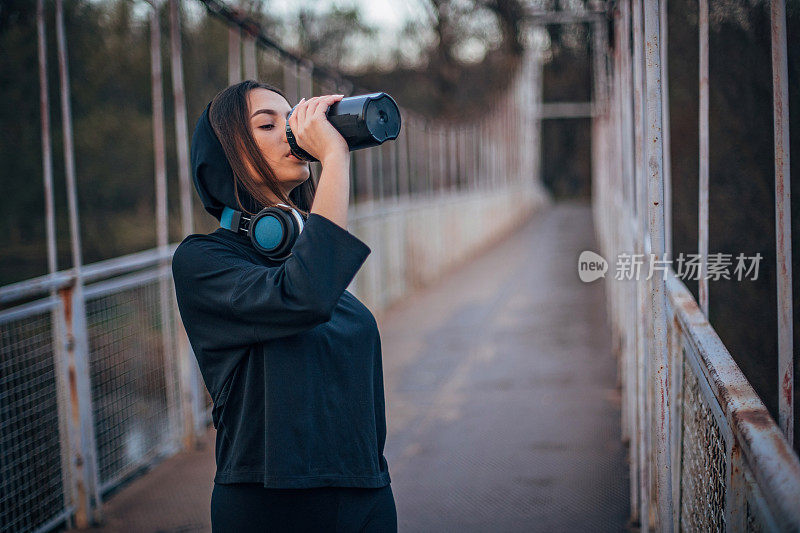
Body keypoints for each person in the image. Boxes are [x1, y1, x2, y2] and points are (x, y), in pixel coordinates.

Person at [171, 80, 396, 532]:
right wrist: (334, 157)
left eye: (291, 119)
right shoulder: (204, 262)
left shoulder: (302, 258)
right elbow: (304, 296)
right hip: (272, 505)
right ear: (226, 153)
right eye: (267, 124)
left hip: (366, 495)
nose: (291, 132)